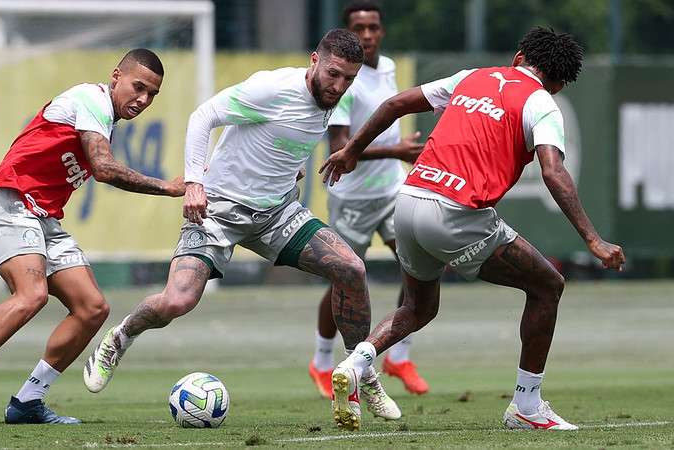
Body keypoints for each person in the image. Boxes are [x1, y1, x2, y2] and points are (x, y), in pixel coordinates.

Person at [83, 29, 401, 423]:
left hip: (278, 214)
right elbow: (204, 117)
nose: (339, 86)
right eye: (333, 74)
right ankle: (120, 337)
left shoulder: (338, 98)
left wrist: (288, 169)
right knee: (177, 301)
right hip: (218, 211)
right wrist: (195, 182)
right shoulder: (271, 88)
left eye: (348, 79)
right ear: (314, 60)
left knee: (351, 268)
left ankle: (363, 374)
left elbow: (288, 138)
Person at [321, 27, 625, 431]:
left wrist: (353, 150)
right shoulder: (542, 103)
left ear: (519, 58)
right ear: (558, 85)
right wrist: (593, 239)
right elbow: (553, 171)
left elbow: (396, 103)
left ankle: (355, 364)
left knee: (419, 307)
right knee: (547, 286)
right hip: (455, 214)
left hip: (409, 201)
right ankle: (526, 406)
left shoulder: (473, 76)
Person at [0, 49, 185, 427]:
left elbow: (41, 165)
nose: (143, 100)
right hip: (13, 203)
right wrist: (167, 187)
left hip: (37, 216)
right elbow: (103, 169)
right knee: (31, 295)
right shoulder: (91, 101)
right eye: (138, 87)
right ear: (116, 76)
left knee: (92, 307)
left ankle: (28, 401)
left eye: (152, 95)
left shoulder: (102, 119)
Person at [309, 0, 429, 401]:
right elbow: (340, 147)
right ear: (348, 32)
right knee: (343, 279)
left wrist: (398, 156)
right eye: (359, 27)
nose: (368, 34)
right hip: (352, 198)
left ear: (381, 31)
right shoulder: (345, 82)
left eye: (373, 27)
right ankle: (323, 362)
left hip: (392, 191)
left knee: (421, 267)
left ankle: (399, 355)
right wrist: (396, 151)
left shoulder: (389, 68)